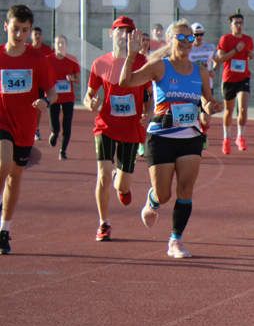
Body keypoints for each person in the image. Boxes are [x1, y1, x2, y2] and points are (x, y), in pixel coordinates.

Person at [118, 19, 222, 258]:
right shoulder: (159, 67)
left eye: (190, 38)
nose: (187, 42)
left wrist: (210, 106)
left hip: (190, 136)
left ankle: (176, 239)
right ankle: (153, 200)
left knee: (186, 189)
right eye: (181, 38)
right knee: (164, 193)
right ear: (170, 41)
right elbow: (126, 82)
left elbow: (206, 101)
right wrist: (131, 56)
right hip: (162, 136)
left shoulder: (201, 71)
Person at [85, 16, 152, 242]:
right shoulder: (100, 64)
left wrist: (148, 112)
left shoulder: (143, 62)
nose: (124, 35)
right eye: (120, 31)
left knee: (123, 185)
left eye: (129, 32)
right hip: (105, 125)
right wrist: (90, 103)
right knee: (102, 175)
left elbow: (149, 97)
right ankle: (103, 223)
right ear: (110, 34)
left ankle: (120, 182)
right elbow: (89, 96)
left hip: (131, 128)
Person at [0, 4, 55, 255]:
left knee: (15, 176)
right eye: (15, 29)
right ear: (6, 27)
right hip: (2, 123)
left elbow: (51, 91)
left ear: (30, 30)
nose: (20, 35)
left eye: (24, 30)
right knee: (3, 163)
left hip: (26, 126)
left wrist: (46, 101)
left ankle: (4, 230)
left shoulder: (37, 60)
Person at [216, 13, 254, 154]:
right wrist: (235, 50)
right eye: (236, 23)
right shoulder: (225, 39)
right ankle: (226, 139)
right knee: (229, 111)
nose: (239, 25)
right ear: (231, 25)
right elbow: (220, 59)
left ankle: (240, 136)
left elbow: (250, 54)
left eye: (241, 23)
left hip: (244, 78)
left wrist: (250, 55)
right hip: (229, 79)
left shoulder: (248, 39)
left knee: (243, 109)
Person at [47, 35, 79, 160]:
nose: (60, 46)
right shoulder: (47, 60)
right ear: (54, 45)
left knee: (67, 124)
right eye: (58, 43)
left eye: (62, 43)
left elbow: (77, 78)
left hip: (68, 98)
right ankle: (54, 133)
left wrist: (72, 78)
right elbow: (42, 76)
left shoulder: (72, 60)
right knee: (55, 125)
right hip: (53, 96)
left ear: (66, 46)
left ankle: (63, 150)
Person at [189, 22, 216, 147]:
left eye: (201, 34)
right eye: (196, 35)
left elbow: (217, 60)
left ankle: (203, 133)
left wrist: (213, 70)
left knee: (205, 120)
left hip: (207, 87)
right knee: (191, 116)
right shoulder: (187, 49)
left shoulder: (209, 48)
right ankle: (193, 138)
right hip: (192, 87)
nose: (198, 37)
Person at [29, 26, 53, 141]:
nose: (37, 36)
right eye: (35, 34)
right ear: (31, 36)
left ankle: (36, 129)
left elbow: (53, 64)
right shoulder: (27, 49)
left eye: (39, 34)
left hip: (41, 83)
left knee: (38, 106)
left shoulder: (47, 50)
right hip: (28, 83)